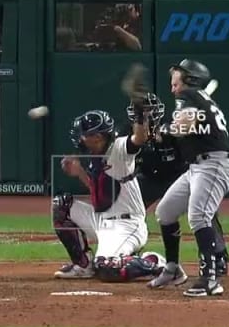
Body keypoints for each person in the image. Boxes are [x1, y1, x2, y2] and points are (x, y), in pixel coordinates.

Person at [146, 58, 229, 297]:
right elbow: (185, 127)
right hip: (198, 166)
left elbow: (182, 129)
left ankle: (210, 279)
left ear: (189, 78)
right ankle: (173, 269)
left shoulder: (189, 96)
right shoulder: (195, 98)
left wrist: (165, 131)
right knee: (165, 212)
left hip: (215, 164)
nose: (172, 85)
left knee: (199, 217)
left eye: (176, 77)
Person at [52, 109, 165, 282]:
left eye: (84, 135)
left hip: (126, 225)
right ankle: (83, 266)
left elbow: (138, 139)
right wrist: (80, 172)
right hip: (102, 220)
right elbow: (101, 195)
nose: (80, 138)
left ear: (97, 137)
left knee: (108, 268)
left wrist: (141, 117)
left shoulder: (119, 149)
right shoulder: (95, 156)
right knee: (61, 205)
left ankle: (154, 262)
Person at [129, 92, 229, 278]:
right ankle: (128, 252)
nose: (148, 114)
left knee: (205, 208)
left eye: (151, 110)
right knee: (129, 208)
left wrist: (169, 135)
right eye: (144, 112)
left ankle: (218, 256)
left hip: (178, 175)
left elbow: (187, 136)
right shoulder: (132, 133)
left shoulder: (176, 121)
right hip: (149, 177)